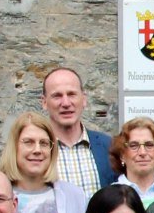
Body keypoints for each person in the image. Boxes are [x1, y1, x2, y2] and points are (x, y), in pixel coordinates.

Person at [40, 66, 118, 197]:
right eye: (57, 96)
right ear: (44, 102)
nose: (65, 103)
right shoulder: (34, 151)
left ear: (84, 99)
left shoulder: (108, 146)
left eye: (72, 94)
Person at [111, 117, 154, 206]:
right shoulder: (106, 197)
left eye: (149, 145)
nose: (142, 152)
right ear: (122, 155)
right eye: (133, 145)